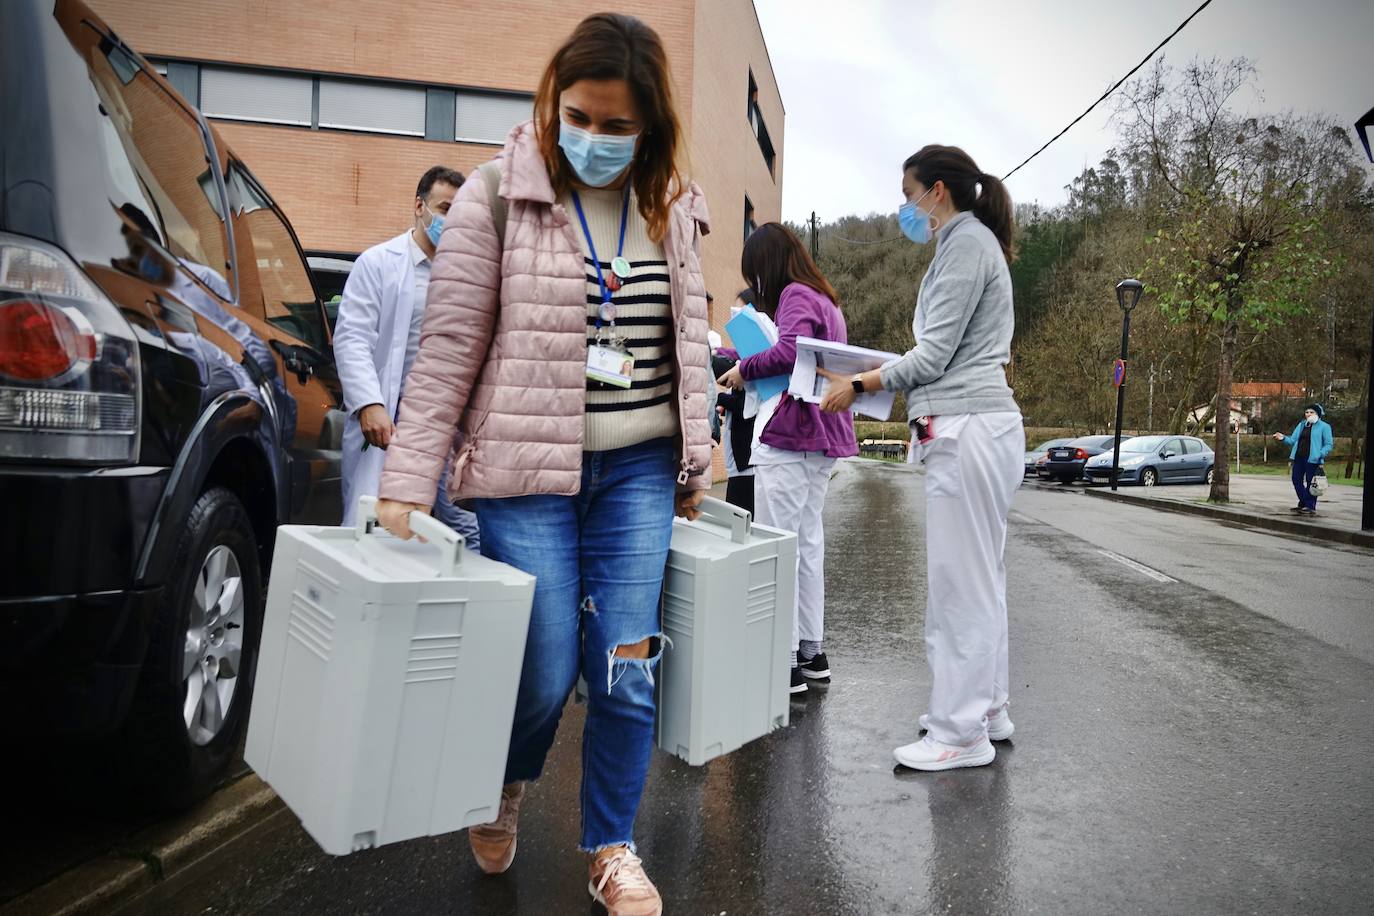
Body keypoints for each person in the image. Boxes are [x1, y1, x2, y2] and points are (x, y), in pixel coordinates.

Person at [372, 14, 712, 915]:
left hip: (636, 469)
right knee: (547, 661)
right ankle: (509, 780)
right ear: (552, 103)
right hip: (523, 472)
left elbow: (689, 343)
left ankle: (609, 844)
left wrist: (698, 457)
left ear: (651, 126)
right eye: (580, 116)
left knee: (626, 663)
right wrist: (405, 481)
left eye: (617, 125)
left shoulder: (672, 205)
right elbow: (447, 348)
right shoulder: (493, 196)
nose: (594, 139)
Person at [820, 145, 1022, 772]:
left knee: (959, 587)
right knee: (980, 581)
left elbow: (932, 356)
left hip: (967, 426)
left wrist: (860, 383)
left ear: (937, 191)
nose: (905, 207)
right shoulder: (970, 244)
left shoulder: (964, 245)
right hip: (976, 424)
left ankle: (959, 732)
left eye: (908, 194)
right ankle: (984, 709)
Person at [717, 224, 857, 696]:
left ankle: (785, 662)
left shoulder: (796, 293)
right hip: (822, 438)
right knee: (807, 546)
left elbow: (787, 351)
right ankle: (811, 653)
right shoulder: (827, 299)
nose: (757, 286)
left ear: (769, 265)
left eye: (756, 275)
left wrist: (741, 369)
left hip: (790, 433)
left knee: (780, 545)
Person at [333, 165, 480, 549]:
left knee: (465, 533)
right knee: (378, 528)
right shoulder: (378, 263)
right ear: (419, 206)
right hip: (391, 419)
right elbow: (352, 338)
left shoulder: (467, 274)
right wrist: (369, 402)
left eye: (459, 213)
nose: (451, 220)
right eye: (444, 208)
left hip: (447, 422)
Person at [714, 288, 758, 515]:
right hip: (739, 463)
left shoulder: (759, 361)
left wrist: (720, 398)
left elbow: (748, 409)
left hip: (748, 465)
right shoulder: (744, 359)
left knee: (742, 526)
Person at [1273, 403, 1333, 515]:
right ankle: (1304, 502)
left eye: (1312, 412)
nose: (1309, 414)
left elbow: (1329, 444)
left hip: (1313, 459)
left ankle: (1310, 506)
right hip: (1299, 457)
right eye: (1307, 412)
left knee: (1311, 483)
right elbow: (1292, 440)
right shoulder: (1302, 425)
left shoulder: (1324, 427)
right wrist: (1283, 438)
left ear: (1318, 414)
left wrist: (1320, 454)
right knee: (1296, 480)